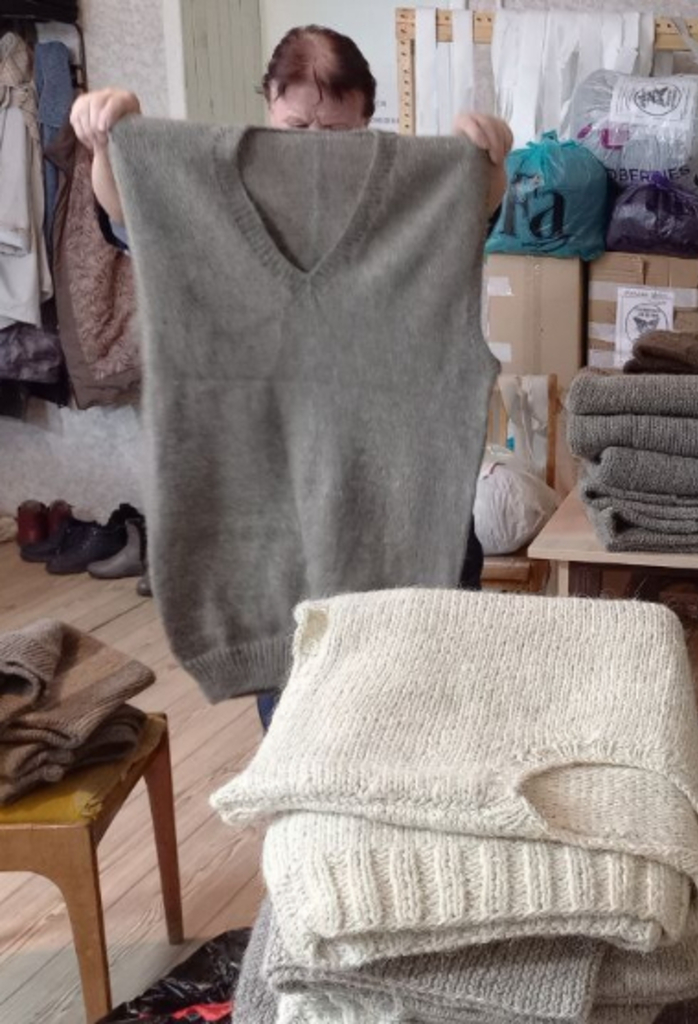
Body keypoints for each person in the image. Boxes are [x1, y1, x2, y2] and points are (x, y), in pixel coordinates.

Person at [69, 25, 514, 731]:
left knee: (424, 728)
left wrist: (486, 160)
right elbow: (128, 212)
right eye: (296, 127)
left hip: (411, 534)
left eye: (335, 131)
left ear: (369, 117)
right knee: (297, 732)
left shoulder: (417, 198)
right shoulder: (203, 200)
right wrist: (109, 140)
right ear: (269, 107)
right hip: (271, 547)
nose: (313, 147)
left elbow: (481, 205)